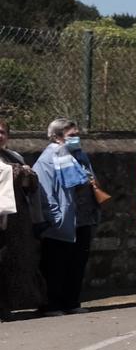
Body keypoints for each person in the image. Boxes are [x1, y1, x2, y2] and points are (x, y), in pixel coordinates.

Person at [32, 119, 102, 314]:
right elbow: (44, 193)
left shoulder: (79, 156)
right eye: (71, 135)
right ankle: (51, 305)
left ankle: (71, 302)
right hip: (61, 221)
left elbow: (92, 180)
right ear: (56, 136)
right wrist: (55, 218)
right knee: (55, 265)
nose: (76, 138)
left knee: (76, 263)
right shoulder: (47, 159)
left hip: (82, 218)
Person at [0, 118, 46, 317]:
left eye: (3, 132)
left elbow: (32, 180)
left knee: (14, 261)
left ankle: (8, 305)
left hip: (16, 219)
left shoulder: (13, 155)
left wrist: (23, 173)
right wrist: (20, 172)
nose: (0, 135)